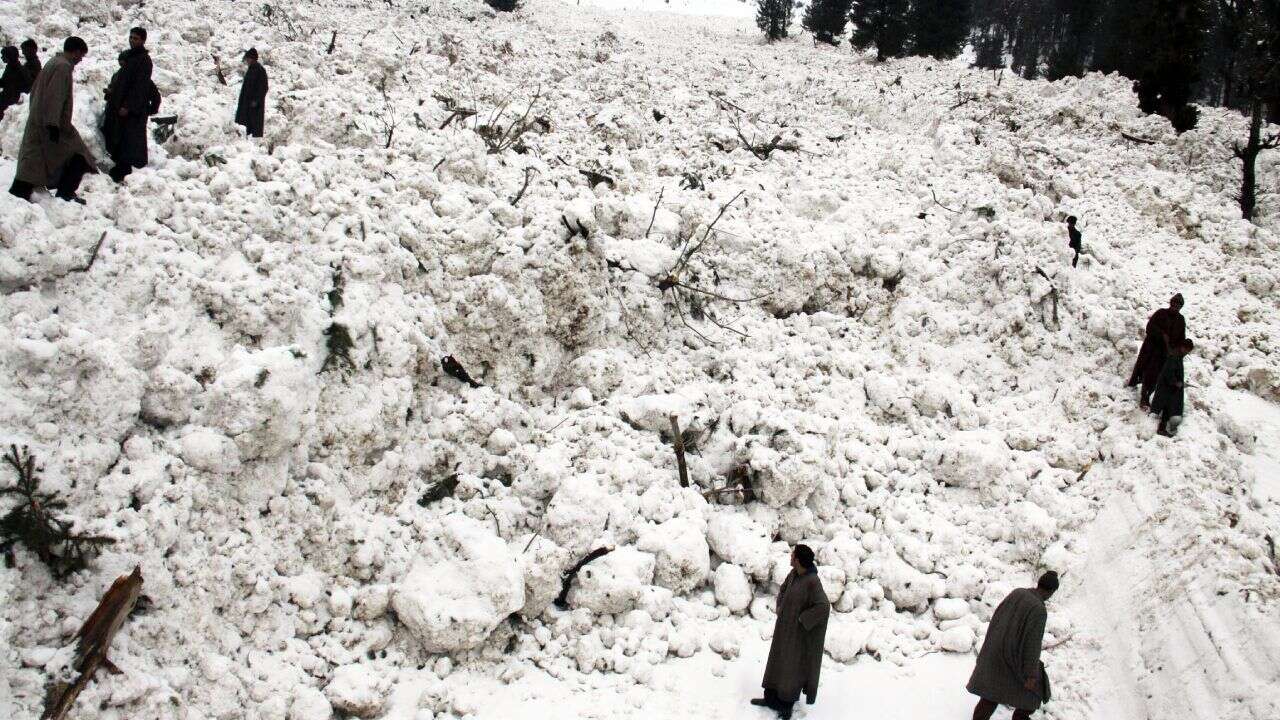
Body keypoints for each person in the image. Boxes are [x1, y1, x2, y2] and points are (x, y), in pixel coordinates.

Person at [8, 37, 97, 204]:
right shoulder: (63, 67)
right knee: (80, 156)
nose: (80, 59)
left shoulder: (54, 62)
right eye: (81, 55)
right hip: (51, 124)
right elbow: (55, 96)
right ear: (76, 51)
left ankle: (20, 194)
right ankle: (65, 193)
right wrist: (53, 124)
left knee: (34, 161)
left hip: (41, 121)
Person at [751, 545, 830, 720]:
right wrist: (779, 606)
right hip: (783, 630)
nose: (790, 556)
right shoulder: (794, 574)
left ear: (799, 560)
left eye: (793, 555)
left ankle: (786, 707)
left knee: (790, 669)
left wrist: (803, 619)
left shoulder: (812, 582)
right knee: (777, 663)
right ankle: (770, 699)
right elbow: (783, 590)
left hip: (797, 636)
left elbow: (823, 606)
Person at [966, 571, 1059, 720]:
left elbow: (997, 617)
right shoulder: (1039, 610)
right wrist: (1031, 674)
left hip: (994, 650)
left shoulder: (1017, 593)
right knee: (1034, 694)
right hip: (1010, 659)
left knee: (991, 693)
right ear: (1052, 591)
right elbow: (1032, 645)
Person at [104, 27, 153, 183]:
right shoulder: (129, 58)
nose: (132, 40)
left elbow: (140, 86)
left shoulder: (144, 60)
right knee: (117, 136)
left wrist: (128, 106)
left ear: (143, 41)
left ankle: (123, 170)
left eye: (136, 38)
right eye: (131, 37)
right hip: (119, 106)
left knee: (128, 140)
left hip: (131, 110)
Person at [1127, 294, 1186, 409]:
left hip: (1166, 354)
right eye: (1174, 304)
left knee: (1159, 377)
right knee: (1147, 373)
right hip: (1152, 350)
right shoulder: (1161, 313)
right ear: (1171, 303)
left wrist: (1177, 351)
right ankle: (1144, 397)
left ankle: (1152, 397)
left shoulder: (1181, 320)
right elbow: (1149, 327)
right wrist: (1162, 335)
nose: (1175, 307)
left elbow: (1181, 338)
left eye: (1178, 306)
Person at [1151, 339, 1193, 437]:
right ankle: (1161, 428)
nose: (1187, 353)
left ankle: (1162, 428)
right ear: (1183, 347)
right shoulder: (1174, 356)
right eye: (1187, 350)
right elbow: (1169, 372)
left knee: (1167, 407)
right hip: (1167, 387)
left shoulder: (1177, 355)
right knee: (1166, 406)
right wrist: (1176, 383)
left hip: (1169, 387)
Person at [235, 48, 268, 138]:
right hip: (246, 103)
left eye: (248, 59)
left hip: (254, 106)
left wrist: (256, 101)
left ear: (253, 59)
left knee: (253, 126)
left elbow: (263, 87)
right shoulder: (251, 70)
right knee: (244, 124)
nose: (247, 61)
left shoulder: (260, 70)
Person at [1, 46, 24, 121]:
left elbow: (6, 83)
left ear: (9, 56)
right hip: (9, 95)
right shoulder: (12, 66)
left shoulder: (13, 68)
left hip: (10, 96)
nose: (1, 57)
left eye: (3, 56)